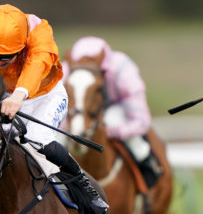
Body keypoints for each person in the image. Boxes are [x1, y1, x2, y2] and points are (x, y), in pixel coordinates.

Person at [0, 4, 109, 214]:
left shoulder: (39, 32)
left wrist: (19, 95)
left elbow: (37, 65)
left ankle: (86, 191)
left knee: (39, 140)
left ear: (22, 45)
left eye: (6, 57)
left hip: (46, 95)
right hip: (5, 95)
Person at [63, 36, 162, 187]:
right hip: (81, 113)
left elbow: (142, 121)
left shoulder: (123, 69)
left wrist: (111, 132)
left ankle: (148, 170)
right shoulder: (64, 72)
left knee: (114, 119)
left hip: (116, 110)